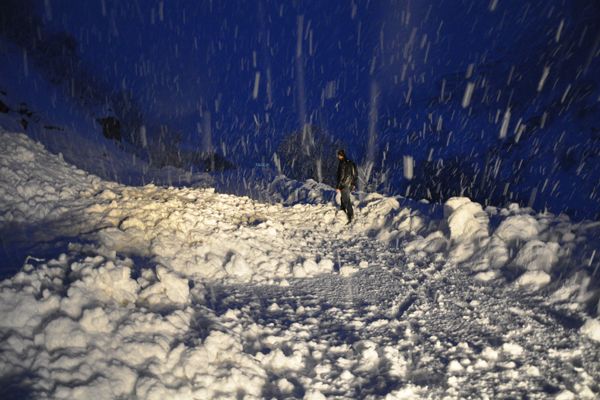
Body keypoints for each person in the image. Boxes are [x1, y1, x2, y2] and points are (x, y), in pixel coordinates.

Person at [336, 149, 357, 224]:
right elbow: (354, 174)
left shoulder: (342, 163)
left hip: (344, 184)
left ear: (341, 155)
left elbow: (341, 176)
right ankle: (342, 210)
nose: (338, 156)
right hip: (349, 184)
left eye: (339, 155)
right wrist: (353, 183)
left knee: (346, 200)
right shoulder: (349, 162)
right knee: (344, 198)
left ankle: (350, 216)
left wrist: (338, 186)